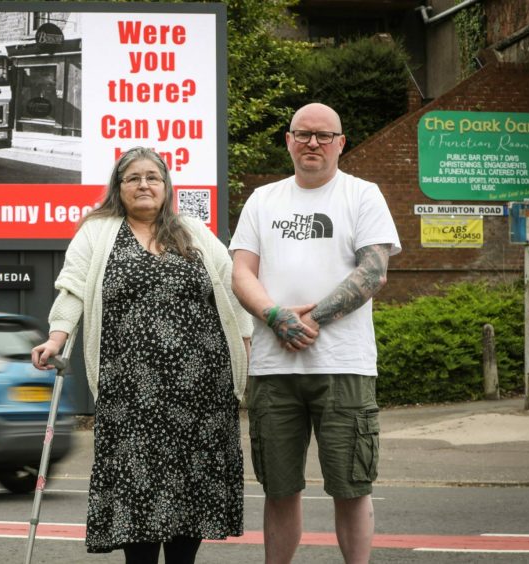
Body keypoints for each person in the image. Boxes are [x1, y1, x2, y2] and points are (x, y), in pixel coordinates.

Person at [31, 147, 253, 564]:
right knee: (138, 489)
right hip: (131, 396)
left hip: (201, 394)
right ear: (119, 188)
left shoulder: (193, 231)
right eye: (133, 178)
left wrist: (244, 342)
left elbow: (231, 287)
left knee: (192, 488)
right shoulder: (97, 232)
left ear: (167, 187)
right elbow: (74, 287)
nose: (144, 185)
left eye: (153, 177)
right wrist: (56, 338)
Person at [229, 102, 401, 564]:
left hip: (343, 365)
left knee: (351, 486)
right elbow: (240, 271)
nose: (313, 143)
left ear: (341, 143)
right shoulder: (263, 200)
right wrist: (275, 317)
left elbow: (374, 270)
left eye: (324, 136)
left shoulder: (363, 195)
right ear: (288, 140)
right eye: (303, 134)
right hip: (272, 368)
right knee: (279, 489)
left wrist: (312, 318)